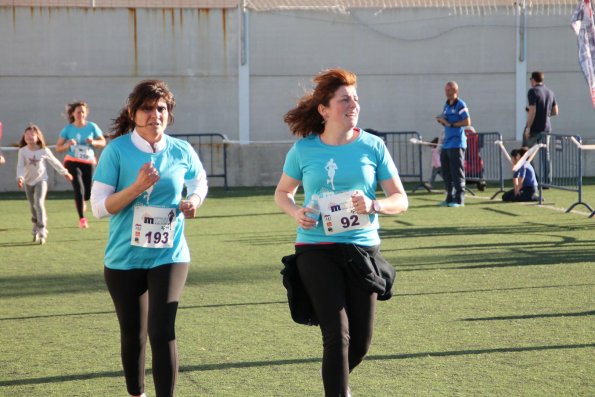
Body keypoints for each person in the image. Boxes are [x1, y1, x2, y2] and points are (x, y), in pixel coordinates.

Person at [275, 68, 408, 397]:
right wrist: (296, 211)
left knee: (360, 342)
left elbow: (400, 199)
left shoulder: (373, 146)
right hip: (315, 248)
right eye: (344, 99)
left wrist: (374, 205)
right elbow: (283, 192)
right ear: (324, 109)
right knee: (337, 333)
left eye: (356, 99)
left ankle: (337, 384)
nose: (353, 105)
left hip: (362, 250)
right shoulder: (304, 150)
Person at [90, 80, 208, 397]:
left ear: (168, 113)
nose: (154, 114)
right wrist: (137, 188)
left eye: (161, 108)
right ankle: (136, 393)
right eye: (147, 108)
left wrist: (194, 201)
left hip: (169, 254)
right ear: (133, 112)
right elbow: (99, 208)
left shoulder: (181, 150)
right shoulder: (116, 151)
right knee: (134, 334)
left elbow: (200, 181)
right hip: (123, 257)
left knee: (162, 330)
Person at [16, 124, 73, 244]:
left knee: (39, 202)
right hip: (27, 181)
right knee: (32, 205)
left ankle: (42, 228)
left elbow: (54, 162)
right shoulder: (23, 151)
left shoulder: (43, 150)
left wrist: (65, 172)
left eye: (32, 134)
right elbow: (20, 166)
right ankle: (35, 224)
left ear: (38, 136)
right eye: (27, 134)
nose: (29, 136)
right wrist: (20, 178)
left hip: (41, 180)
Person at [56, 101, 106, 228]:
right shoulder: (68, 129)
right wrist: (67, 144)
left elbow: (103, 142)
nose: (80, 114)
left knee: (88, 193)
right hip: (72, 161)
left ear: (86, 113)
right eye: (78, 112)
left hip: (88, 161)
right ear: (73, 114)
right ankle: (82, 219)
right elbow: (58, 147)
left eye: (83, 112)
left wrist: (93, 142)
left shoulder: (92, 127)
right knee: (78, 188)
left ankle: (83, 200)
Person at [435, 81, 471, 207]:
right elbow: (446, 120)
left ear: (455, 91)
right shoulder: (446, 105)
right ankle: (449, 196)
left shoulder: (460, 104)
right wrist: (442, 121)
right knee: (446, 171)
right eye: (446, 90)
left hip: (457, 143)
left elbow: (467, 121)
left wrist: (450, 124)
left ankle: (460, 198)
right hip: (447, 143)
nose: (447, 93)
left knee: (457, 171)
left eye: (449, 90)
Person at [523, 71, 558, 185]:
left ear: (533, 80)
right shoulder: (550, 92)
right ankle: (547, 181)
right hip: (546, 128)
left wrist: (528, 128)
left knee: (525, 152)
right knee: (545, 154)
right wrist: (544, 115)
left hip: (534, 128)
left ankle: (534, 179)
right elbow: (555, 111)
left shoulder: (533, 91)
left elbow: (532, 110)